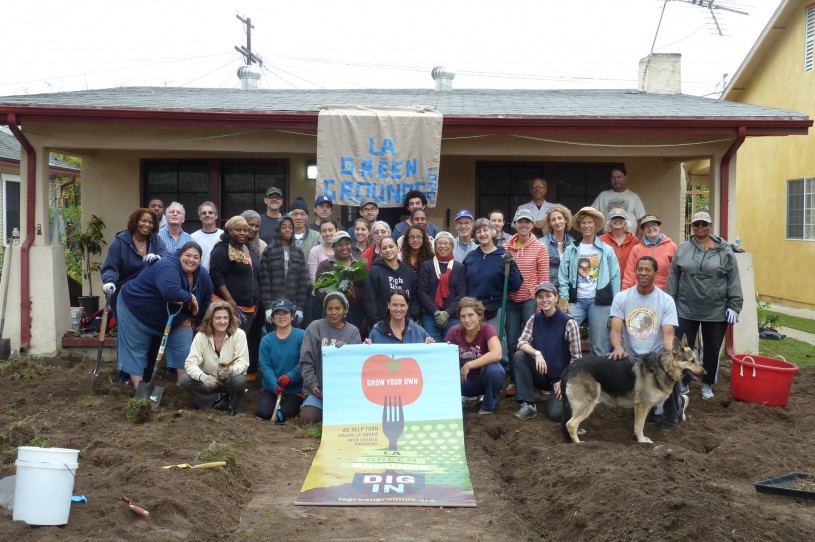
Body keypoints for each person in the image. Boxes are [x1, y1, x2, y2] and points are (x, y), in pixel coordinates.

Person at [666, 211, 742, 400]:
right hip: (686, 307)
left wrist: (734, 304)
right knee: (684, 348)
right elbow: (673, 276)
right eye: (696, 224)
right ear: (692, 226)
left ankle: (707, 384)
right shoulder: (683, 249)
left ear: (710, 225)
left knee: (712, 348)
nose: (700, 227)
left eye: (704, 224)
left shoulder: (724, 250)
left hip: (715, 310)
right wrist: (670, 303)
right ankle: (683, 383)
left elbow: (733, 278)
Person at [116, 241, 213, 389]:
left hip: (174, 316)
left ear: (200, 260)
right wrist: (190, 297)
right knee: (137, 348)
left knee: (183, 346)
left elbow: (205, 300)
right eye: (187, 255)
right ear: (180, 255)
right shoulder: (167, 266)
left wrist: (193, 318)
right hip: (136, 309)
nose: (191, 260)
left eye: (196, 257)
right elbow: (170, 291)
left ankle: (183, 385)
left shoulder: (202, 275)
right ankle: (139, 388)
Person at [609, 256, 684, 432]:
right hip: (631, 357)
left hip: (656, 357)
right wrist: (618, 347)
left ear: (656, 274)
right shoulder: (622, 297)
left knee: (673, 370)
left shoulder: (666, 300)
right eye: (640, 269)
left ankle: (671, 419)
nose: (643, 273)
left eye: (647, 270)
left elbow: (668, 335)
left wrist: (671, 358)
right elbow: (615, 331)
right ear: (635, 272)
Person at [512, 281, 581, 421]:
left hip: (561, 378)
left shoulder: (569, 323)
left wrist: (564, 381)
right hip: (542, 374)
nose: (544, 300)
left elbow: (577, 359)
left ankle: (563, 398)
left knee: (555, 415)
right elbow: (521, 342)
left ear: (556, 298)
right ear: (536, 300)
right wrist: (537, 353)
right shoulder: (535, 318)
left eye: (548, 296)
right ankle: (528, 405)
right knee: (519, 356)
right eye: (540, 297)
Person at [558, 207, 620, 356]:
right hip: (576, 301)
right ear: (579, 226)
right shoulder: (571, 249)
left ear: (595, 225)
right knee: (562, 334)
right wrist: (564, 298)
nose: (586, 226)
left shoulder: (606, 250)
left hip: (600, 302)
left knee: (599, 346)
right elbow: (562, 275)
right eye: (583, 223)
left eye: (589, 222)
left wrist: (616, 305)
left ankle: (598, 377)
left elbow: (615, 277)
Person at [464, 218, 523, 366]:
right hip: (473, 309)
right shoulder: (471, 257)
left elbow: (516, 285)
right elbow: (463, 283)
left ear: (493, 232)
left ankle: (495, 378)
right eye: (478, 231)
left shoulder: (503, 256)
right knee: (475, 346)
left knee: (493, 345)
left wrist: (512, 267)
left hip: (495, 308)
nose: (482, 234)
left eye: (485, 230)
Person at [503, 208, 550, 393]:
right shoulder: (507, 247)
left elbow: (544, 277)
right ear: (515, 224)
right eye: (520, 222)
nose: (523, 225)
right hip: (511, 300)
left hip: (530, 299)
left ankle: (537, 379)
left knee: (532, 340)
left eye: (527, 222)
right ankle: (515, 380)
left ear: (532, 225)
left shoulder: (540, 247)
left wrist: (541, 304)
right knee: (513, 342)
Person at [300, 292, 362, 424]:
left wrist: (346, 351)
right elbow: (306, 361)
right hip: (317, 390)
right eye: (330, 308)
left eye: (338, 308)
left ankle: (334, 410)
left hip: (342, 392)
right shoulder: (315, 327)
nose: (333, 312)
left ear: (345, 310)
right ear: (325, 309)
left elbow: (355, 365)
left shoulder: (353, 332)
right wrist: (313, 385)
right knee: (308, 417)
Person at [179, 301, 249, 414]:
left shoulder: (239, 334)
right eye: (218, 318)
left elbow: (243, 362)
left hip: (230, 379)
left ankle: (234, 404)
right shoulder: (201, 336)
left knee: (240, 380)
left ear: (230, 319)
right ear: (210, 319)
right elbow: (190, 363)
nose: (222, 321)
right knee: (184, 379)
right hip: (209, 382)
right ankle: (213, 399)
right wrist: (203, 378)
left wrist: (231, 370)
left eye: (226, 318)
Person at [102, 207, 169, 316]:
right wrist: (109, 281)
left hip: (147, 293)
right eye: (143, 221)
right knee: (127, 328)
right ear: (135, 221)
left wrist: (158, 258)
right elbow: (111, 266)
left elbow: (166, 257)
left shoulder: (156, 240)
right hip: (123, 292)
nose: (147, 225)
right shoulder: (120, 241)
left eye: (150, 222)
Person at [445, 297, 505, 415]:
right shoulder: (453, 332)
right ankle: (455, 405)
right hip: (464, 380)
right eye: (463, 316)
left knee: (494, 370)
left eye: (471, 315)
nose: (467, 320)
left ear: (479, 315)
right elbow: (445, 359)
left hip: (484, 378)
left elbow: (497, 353)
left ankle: (488, 406)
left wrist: (469, 365)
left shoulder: (488, 329)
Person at [208, 216, 261, 339]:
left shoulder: (249, 248)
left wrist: (257, 302)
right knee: (226, 343)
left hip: (249, 309)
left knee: (239, 343)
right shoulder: (221, 249)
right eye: (238, 230)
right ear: (229, 231)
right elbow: (216, 275)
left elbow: (255, 275)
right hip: (228, 308)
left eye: (245, 230)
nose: (242, 233)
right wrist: (229, 298)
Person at [256, 299, 305, 421]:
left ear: (292, 316)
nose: (281, 316)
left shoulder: (302, 336)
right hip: (272, 388)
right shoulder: (266, 340)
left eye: (285, 313)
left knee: (284, 414)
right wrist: (274, 385)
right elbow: (265, 366)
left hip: (295, 389)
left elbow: (304, 362)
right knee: (262, 413)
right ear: (272, 317)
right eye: (277, 313)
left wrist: (290, 377)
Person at [417, 231, 467, 342]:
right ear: (435, 246)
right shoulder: (427, 265)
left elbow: (461, 293)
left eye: (447, 243)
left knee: (452, 347)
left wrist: (447, 313)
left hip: (453, 316)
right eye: (439, 243)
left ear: (452, 246)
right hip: (430, 316)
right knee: (431, 348)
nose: (443, 246)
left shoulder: (459, 267)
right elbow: (421, 291)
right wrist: (436, 312)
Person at [260, 215, 308, 327]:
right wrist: (267, 307)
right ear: (278, 229)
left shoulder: (298, 252)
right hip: (274, 305)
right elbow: (264, 281)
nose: (287, 230)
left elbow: (302, 282)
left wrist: (300, 308)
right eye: (284, 227)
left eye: (290, 227)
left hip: (293, 305)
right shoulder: (269, 251)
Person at [314, 231, 365, 330]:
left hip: (354, 312)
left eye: (347, 244)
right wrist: (332, 292)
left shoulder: (359, 266)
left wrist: (353, 292)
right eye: (340, 245)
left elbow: (366, 290)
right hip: (331, 312)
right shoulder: (325, 265)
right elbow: (318, 290)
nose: (344, 247)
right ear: (333, 247)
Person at [365, 236, 419, 326]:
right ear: (381, 252)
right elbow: (370, 299)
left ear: (398, 248)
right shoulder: (374, 272)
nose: (388, 250)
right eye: (384, 248)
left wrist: (412, 316)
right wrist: (375, 321)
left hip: (406, 323)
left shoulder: (409, 272)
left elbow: (415, 298)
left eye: (391, 246)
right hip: (381, 323)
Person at [622, 215, 677, 291]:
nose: (650, 228)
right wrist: (625, 291)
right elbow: (629, 273)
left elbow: (675, 273)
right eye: (647, 226)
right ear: (643, 231)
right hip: (640, 291)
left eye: (654, 225)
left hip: (663, 291)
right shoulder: (636, 249)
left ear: (659, 227)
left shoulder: (671, 246)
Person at [367, 289, 433, 344]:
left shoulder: (419, 331)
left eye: (402, 305)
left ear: (407, 306)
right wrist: (365, 348)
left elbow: (429, 356)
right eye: (394, 305)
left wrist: (430, 345)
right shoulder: (376, 332)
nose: (398, 309)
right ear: (388, 305)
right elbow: (369, 356)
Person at [540, 204, 575, 289]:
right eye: (553, 220)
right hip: (549, 288)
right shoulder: (541, 243)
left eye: (560, 218)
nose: (557, 222)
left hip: (568, 288)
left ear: (566, 220)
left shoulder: (573, 243)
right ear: (549, 223)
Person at [599, 207, 638, 276]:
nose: (617, 219)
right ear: (609, 222)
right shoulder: (601, 240)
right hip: (607, 281)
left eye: (621, 218)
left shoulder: (634, 240)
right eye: (614, 218)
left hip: (628, 281)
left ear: (626, 222)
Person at [191, 201, 223, 269]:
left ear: (216, 216)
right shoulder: (192, 237)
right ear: (200, 217)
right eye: (204, 213)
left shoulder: (224, 235)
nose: (207, 215)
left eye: (210, 212)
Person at [308, 219, 337, 285]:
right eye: (323, 231)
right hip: (320, 290)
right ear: (320, 232)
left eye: (330, 230)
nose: (327, 234)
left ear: (336, 230)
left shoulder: (343, 250)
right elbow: (313, 278)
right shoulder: (315, 251)